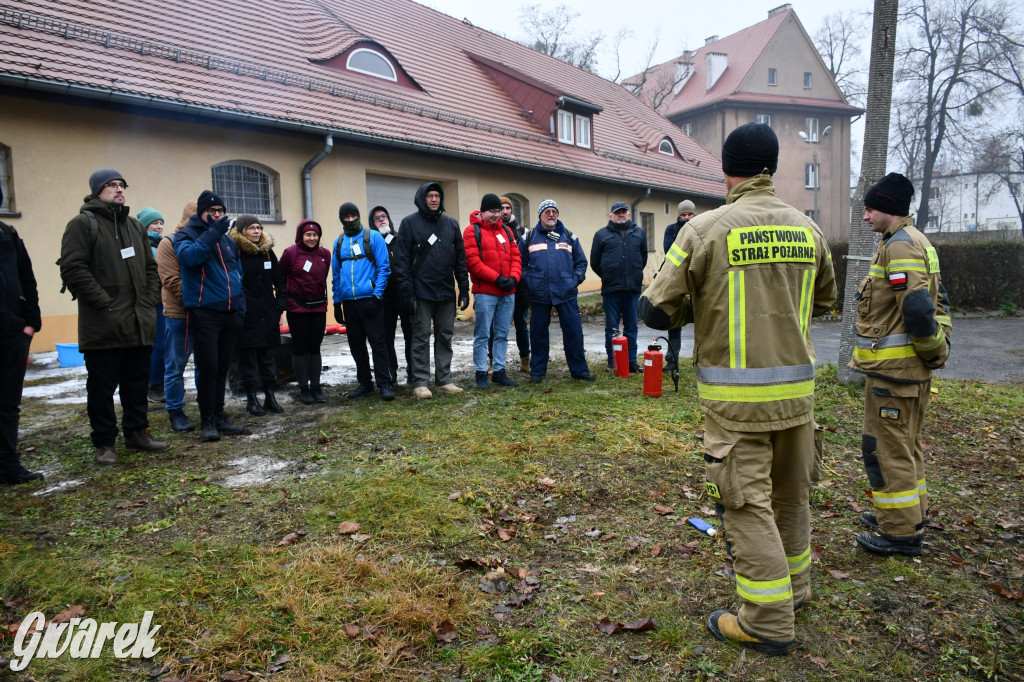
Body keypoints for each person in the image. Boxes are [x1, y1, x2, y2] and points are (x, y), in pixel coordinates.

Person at [639, 122, 836, 656]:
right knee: (792, 497)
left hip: (735, 405)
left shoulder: (703, 230)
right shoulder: (808, 229)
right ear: (772, 168)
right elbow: (824, 301)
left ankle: (767, 622)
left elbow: (654, 310)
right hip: (798, 397)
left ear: (726, 170)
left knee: (747, 506)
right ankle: (795, 592)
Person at [850, 172, 952, 557]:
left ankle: (900, 532)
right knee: (905, 445)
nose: (865, 217)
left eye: (870, 209)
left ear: (889, 207)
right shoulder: (911, 240)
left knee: (885, 448)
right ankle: (909, 513)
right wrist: (933, 354)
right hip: (903, 372)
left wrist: (932, 352)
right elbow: (935, 299)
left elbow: (917, 307)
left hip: (897, 372)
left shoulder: (900, 248)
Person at [59, 168, 168, 465]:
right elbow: (72, 269)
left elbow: (149, 267)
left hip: (138, 322)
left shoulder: (133, 225)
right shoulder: (83, 224)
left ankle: (137, 433)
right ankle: (104, 443)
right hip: (103, 324)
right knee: (102, 387)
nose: (119, 190)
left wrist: (146, 302)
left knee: (136, 382)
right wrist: (104, 303)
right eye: (112, 185)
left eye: (122, 185)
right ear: (97, 191)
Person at [174, 191, 246, 442]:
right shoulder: (186, 236)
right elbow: (189, 258)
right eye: (211, 211)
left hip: (230, 313)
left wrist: (240, 308)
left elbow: (238, 275)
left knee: (223, 368)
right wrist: (213, 232)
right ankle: (207, 421)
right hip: (205, 313)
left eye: (220, 211)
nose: (217, 215)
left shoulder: (229, 242)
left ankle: (219, 415)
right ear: (201, 212)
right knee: (208, 368)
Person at [392, 182, 470, 400]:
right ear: (422, 199)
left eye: (437, 196)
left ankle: (444, 380)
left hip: (445, 291)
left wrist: (463, 288)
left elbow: (460, 260)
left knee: (445, 336)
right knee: (420, 336)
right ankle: (420, 383)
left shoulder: (451, 224)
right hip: (420, 292)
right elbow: (402, 262)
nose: (434, 199)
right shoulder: (409, 223)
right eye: (430, 196)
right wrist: (407, 292)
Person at [519, 199, 594, 383]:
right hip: (539, 293)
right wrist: (531, 281)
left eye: (554, 211)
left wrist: (574, 279)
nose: (551, 214)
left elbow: (581, 262)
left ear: (557, 214)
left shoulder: (569, 236)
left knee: (574, 333)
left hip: (565, 292)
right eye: (547, 211)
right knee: (538, 335)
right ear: (540, 215)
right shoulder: (528, 238)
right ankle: (537, 372)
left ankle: (580, 371)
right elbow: (520, 264)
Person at [0, 184, 44, 484]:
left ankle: (7, 463)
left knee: (8, 402)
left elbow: (26, 278)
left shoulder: (8, 235)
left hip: (12, 331)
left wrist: (30, 324)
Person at [331, 202, 394, 401]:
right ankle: (365, 383)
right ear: (341, 219)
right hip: (349, 303)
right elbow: (336, 274)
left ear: (358, 216)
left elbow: (385, 268)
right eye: (346, 217)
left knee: (378, 344)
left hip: (371, 300)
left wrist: (377, 295)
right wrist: (336, 302)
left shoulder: (372, 237)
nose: (350, 220)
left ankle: (384, 383)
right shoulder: (338, 242)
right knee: (356, 345)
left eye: (353, 216)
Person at [230, 215, 287, 416]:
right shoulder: (235, 252)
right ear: (242, 231)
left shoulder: (267, 252)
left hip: (268, 314)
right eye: (251, 228)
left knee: (268, 358)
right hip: (247, 315)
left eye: (258, 227)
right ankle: (252, 400)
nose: (256, 231)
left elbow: (279, 280)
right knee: (247, 360)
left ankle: (270, 397)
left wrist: (279, 304)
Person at [464, 193, 522, 389]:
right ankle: (481, 372)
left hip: (507, 292)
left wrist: (513, 278)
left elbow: (516, 258)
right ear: (482, 211)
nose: (497, 215)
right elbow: (473, 262)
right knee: (482, 334)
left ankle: (499, 371)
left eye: (499, 211)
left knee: (502, 334)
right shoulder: (472, 231)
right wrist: (497, 278)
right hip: (486, 292)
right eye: (492, 211)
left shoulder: (506, 231)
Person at [590, 201, 648, 373]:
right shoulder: (601, 235)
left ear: (629, 215)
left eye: (624, 212)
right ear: (611, 216)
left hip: (632, 289)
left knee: (632, 327)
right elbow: (595, 262)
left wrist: (633, 274)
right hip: (611, 289)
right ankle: (613, 361)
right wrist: (609, 276)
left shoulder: (639, 233)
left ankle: (631, 361)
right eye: (617, 212)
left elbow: (643, 258)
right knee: (612, 328)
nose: (621, 215)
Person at [279, 219, 331, 405]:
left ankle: (316, 387)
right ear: (301, 236)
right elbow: (280, 276)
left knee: (315, 348)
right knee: (300, 348)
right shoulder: (290, 253)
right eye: (308, 234)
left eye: (315, 235)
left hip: (318, 307)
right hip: (297, 308)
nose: (312, 238)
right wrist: (284, 301)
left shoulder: (325, 254)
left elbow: (322, 278)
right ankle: (304, 389)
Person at [157, 201, 198, 433]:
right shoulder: (168, 243)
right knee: (175, 366)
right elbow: (171, 281)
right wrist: (200, 301)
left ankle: (208, 407)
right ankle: (175, 410)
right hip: (179, 314)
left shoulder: (206, 242)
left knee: (205, 364)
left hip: (205, 315)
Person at [370, 205, 413, 387]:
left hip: (404, 295)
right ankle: (391, 373)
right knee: (386, 337)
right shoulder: (370, 243)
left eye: (384, 216)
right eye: (377, 218)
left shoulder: (400, 239)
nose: (381, 219)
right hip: (383, 299)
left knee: (411, 335)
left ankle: (413, 372)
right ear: (372, 224)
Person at [494, 196, 530, 373]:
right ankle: (494, 361)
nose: (505, 211)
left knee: (521, 324)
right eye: (502, 208)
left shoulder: (523, 232)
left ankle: (525, 361)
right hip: (499, 285)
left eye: (508, 207)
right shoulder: (492, 230)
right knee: (497, 326)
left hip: (521, 287)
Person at [138, 207, 167, 403]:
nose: (159, 226)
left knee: (163, 344)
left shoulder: (160, 243)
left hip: (163, 299)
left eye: (160, 223)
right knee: (159, 344)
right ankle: (153, 385)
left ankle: (160, 383)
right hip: (154, 301)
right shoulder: (145, 245)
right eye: (154, 223)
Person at [664, 200, 697, 360]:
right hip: (677, 280)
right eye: (683, 215)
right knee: (674, 321)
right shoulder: (671, 230)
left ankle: (701, 357)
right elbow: (670, 252)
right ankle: (672, 358)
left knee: (701, 319)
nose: (686, 217)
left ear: (694, 214)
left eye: (690, 214)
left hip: (697, 279)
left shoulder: (701, 229)